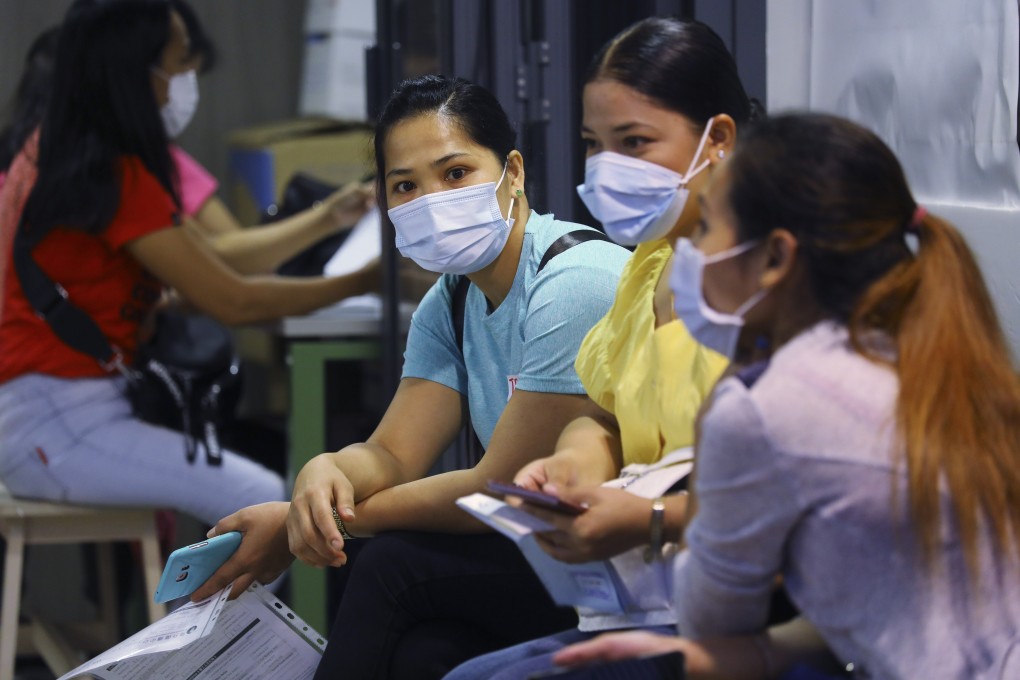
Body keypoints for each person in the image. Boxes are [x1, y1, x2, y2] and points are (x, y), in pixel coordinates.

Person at [549, 113, 1020, 679]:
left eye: (704, 231)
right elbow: (890, 597)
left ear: (774, 258)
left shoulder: (763, 407)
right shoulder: (917, 349)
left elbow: (711, 624)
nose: (689, 256)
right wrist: (770, 651)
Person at [191, 73, 630, 678]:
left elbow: (501, 485)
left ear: (514, 172)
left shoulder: (575, 280)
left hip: (620, 568)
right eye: (405, 185)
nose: (431, 200)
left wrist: (316, 519)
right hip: (542, 562)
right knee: (425, 652)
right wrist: (328, 470)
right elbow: (394, 455)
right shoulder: (450, 302)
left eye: (455, 174)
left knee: (392, 565)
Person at [445, 17, 757, 680]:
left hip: (746, 611)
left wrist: (650, 521)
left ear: (718, 139)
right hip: (649, 599)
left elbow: (791, 491)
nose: (608, 168)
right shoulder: (650, 263)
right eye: (594, 144)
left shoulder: (770, 285)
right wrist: (572, 464)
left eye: (635, 142)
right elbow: (605, 409)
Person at [0, 0, 377, 526]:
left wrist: (325, 219)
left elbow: (209, 260)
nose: (186, 79)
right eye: (178, 63)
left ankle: (201, 613)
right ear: (133, 72)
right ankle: (205, 616)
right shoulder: (112, 173)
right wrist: (367, 279)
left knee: (253, 502)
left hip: (47, 414)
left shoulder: (60, 153)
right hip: (58, 423)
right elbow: (233, 298)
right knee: (264, 502)